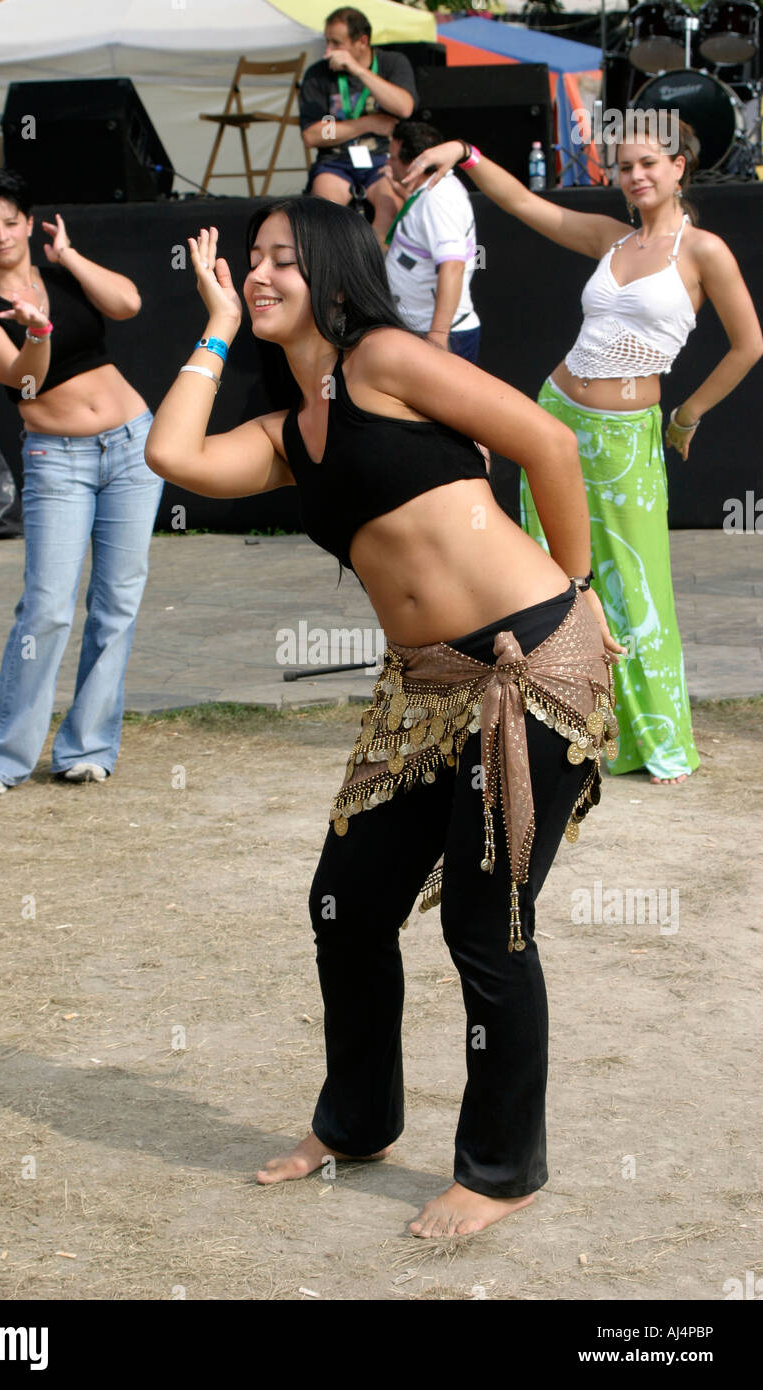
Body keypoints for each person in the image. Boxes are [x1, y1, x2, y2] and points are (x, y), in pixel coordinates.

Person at [144, 196, 625, 1238]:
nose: (261, 273)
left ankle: (500, 1171)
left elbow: (545, 440)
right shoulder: (286, 432)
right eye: (249, 261)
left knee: (483, 923)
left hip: (527, 665)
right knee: (346, 902)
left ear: (331, 269)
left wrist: (577, 587)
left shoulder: (385, 363)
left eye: (281, 260)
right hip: (424, 692)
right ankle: (357, 1122)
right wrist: (217, 320)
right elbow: (171, 457)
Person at [402, 121, 763, 785]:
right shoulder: (610, 239)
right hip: (557, 419)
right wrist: (469, 152)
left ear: (680, 167)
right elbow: (522, 204)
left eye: (648, 163)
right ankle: (562, 725)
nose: (635, 177)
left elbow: (749, 345)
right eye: (625, 167)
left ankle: (654, 739)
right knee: (553, 578)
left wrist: (687, 415)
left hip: (627, 439)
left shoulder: (704, 252)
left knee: (636, 584)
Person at [0, 169, 162, 795]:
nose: (1, 234)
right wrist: (37, 332)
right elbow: (26, 382)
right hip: (57, 462)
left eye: (10, 221)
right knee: (46, 608)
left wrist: (68, 256)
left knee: (117, 603)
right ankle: (0, 756)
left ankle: (88, 747)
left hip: (132, 446)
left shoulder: (63, 273)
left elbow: (128, 304)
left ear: (27, 222)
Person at [299, 6, 416, 242]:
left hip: (383, 159)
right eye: (326, 42)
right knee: (324, 214)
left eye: (336, 43)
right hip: (335, 161)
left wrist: (358, 71)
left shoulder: (391, 64)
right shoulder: (317, 74)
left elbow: (404, 107)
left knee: (390, 207)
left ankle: (373, 264)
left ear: (362, 41)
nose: (327, 51)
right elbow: (313, 135)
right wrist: (369, 123)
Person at [384, 120, 481, 365]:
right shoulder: (430, 191)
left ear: (415, 163)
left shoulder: (437, 199)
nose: (389, 162)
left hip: (439, 336)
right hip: (422, 331)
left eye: (393, 157)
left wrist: (437, 339)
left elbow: (452, 266)